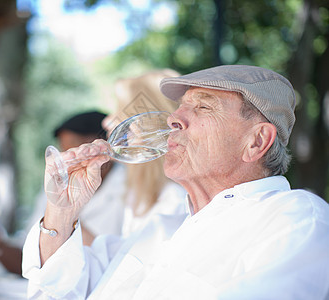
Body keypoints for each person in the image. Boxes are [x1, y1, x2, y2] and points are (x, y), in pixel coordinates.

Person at [22, 65, 329, 299]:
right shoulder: (161, 228)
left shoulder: (296, 221)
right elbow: (54, 291)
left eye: (203, 106)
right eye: (181, 106)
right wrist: (62, 212)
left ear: (257, 141)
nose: (173, 119)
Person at [0, 111, 126, 274]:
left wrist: (65, 220)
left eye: (75, 148)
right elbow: (32, 257)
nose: (68, 160)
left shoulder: (130, 187)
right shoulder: (57, 186)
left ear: (100, 146)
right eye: (63, 150)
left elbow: (110, 261)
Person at [102, 69, 188, 237]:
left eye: (121, 111)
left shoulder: (177, 202)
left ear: (149, 124)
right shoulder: (139, 191)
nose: (106, 121)